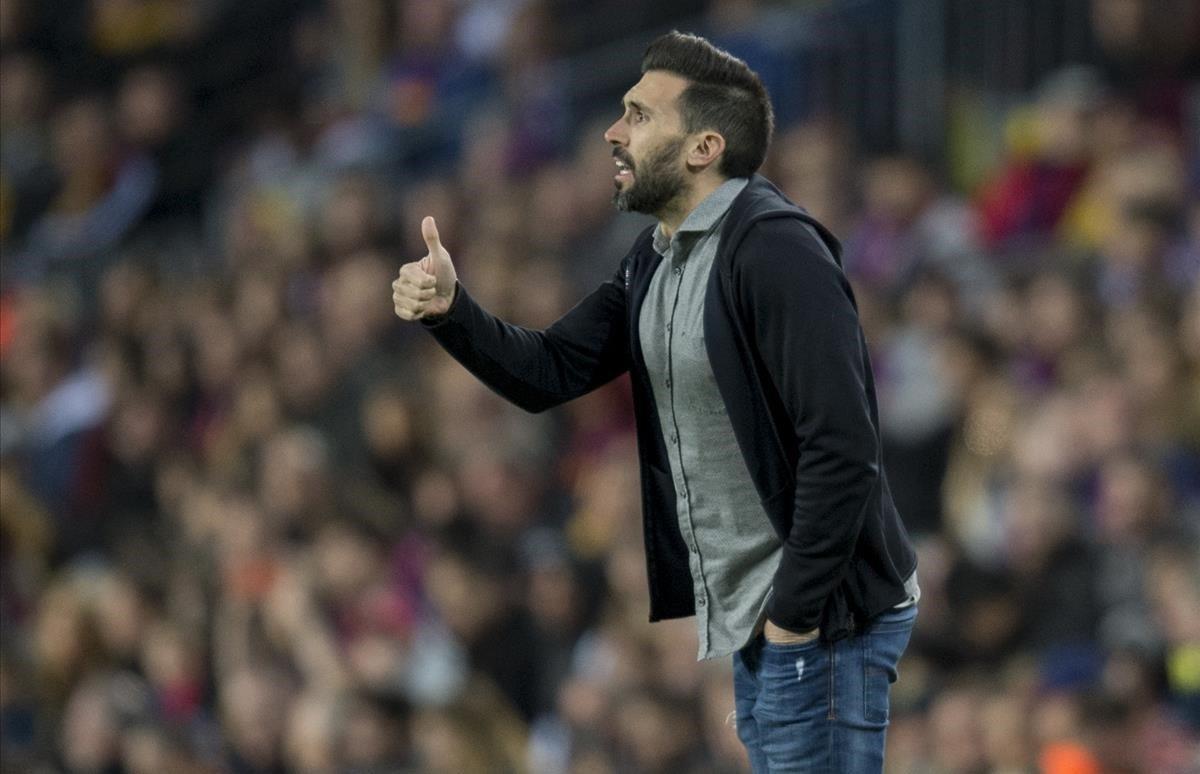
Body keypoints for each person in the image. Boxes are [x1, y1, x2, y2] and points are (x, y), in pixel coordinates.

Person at [392, 31, 919, 773]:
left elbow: (843, 449)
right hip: (765, 625)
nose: (613, 132)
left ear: (704, 147)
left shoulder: (776, 249)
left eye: (639, 115)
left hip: (824, 624)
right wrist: (453, 311)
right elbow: (548, 372)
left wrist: (793, 620)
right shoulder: (656, 255)